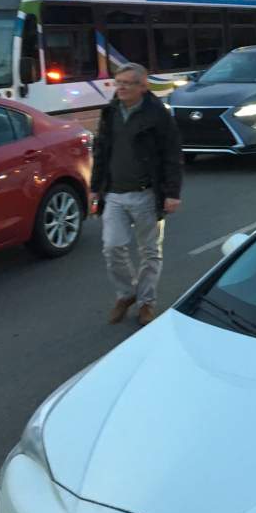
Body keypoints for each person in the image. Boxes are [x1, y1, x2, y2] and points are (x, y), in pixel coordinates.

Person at [91, 63, 183, 326]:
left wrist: (172, 193)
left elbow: (172, 155)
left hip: (146, 194)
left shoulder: (158, 115)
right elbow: (101, 151)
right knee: (112, 247)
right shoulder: (110, 112)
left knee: (150, 252)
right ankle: (127, 294)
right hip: (115, 194)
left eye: (127, 83)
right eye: (117, 82)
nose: (120, 87)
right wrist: (95, 187)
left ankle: (146, 302)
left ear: (143, 86)